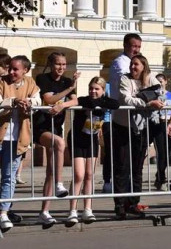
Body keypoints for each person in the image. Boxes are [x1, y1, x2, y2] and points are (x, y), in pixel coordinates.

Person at [51, 77, 120, 225]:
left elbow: (116, 104)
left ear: (103, 90)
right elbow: (76, 102)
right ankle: (73, 211)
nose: (93, 91)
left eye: (97, 89)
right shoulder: (85, 100)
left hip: (92, 139)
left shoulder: (104, 101)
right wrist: (62, 105)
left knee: (89, 175)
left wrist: (100, 103)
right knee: (79, 175)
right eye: (91, 88)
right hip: (77, 139)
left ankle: (88, 209)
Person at [113, 54, 163, 218]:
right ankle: (120, 204)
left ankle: (133, 203)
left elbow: (160, 95)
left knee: (137, 168)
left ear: (144, 67)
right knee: (122, 167)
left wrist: (147, 96)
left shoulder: (151, 79)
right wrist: (146, 102)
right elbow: (125, 99)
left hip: (141, 129)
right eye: (132, 64)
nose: (133, 67)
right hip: (123, 127)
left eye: (136, 65)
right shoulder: (125, 79)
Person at [33, 52, 79, 225]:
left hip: (56, 127)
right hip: (41, 127)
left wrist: (63, 104)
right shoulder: (42, 78)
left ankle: (44, 211)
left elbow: (74, 101)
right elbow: (48, 99)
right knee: (60, 143)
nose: (61, 68)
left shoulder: (68, 81)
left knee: (50, 171)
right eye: (58, 64)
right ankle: (60, 184)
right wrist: (67, 91)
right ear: (51, 65)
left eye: (64, 64)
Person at [0, 56, 41, 231]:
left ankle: (3, 212)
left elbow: (39, 102)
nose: (11, 72)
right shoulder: (1, 82)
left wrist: (30, 103)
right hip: (2, 135)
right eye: (10, 68)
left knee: (9, 177)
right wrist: (13, 101)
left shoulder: (31, 83)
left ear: (25, 70)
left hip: (17, 138)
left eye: (16, 69)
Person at [104, 33, 142, 194]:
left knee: (135, 161)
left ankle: (132, 196)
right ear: (126, 46)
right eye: (134, 46)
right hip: (121, 116)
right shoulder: (120, 63)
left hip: (135, 118)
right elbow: (130, 83)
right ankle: (120, 196)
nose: (136, 50)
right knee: (121, 159)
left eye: (139, 47)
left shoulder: (136, 62)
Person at [152, 74, 171, 191]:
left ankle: (159, 175)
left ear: (166, 81)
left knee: (167, 153)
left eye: (161, 81)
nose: (160, 84)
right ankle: (162, 179)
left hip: (169, 124)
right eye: (157, 82)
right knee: (161, 152)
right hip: (158, 125)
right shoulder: (154, 96)